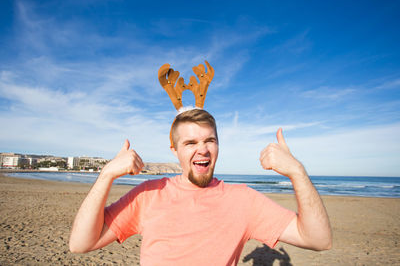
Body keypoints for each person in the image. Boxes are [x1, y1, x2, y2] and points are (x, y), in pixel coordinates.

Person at [69, 109, 332, 265]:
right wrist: (106, 176)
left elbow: (318, 239)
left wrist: (297, 172)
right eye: (190, 143)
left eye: (209, 140)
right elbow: (81, 244)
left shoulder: (244, 200)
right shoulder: (148, 194)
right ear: (174, 149)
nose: (202, 150)